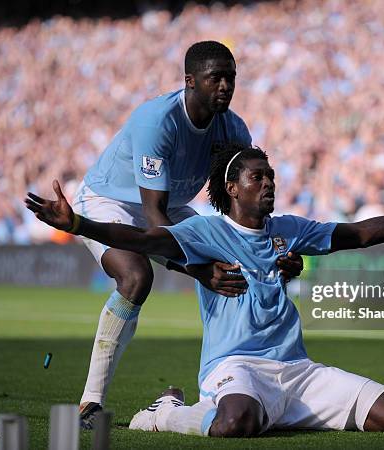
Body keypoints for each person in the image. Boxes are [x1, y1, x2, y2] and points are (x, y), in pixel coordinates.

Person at [25, 142, 384, 437]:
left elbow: (360, 233)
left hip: (297, 369)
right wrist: (80, 224)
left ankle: (279, 411)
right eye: (257, 178)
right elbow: (144, 240)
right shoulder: (205, 232)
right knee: (235, 423)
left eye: (271, 177)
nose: (269, 183)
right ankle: (165, 413)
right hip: (234, 368)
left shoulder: (289, 228)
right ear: (231, 188)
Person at [69, 41, 303, 428]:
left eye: (231, 77)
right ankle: (91, 402)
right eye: (216, 78)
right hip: (111, 200)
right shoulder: (157, 121)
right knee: (136, 277)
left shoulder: (234, 129)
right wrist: (197, 269)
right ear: (190, 81)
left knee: (228, 269)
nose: (225, 86)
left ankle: (228, 384)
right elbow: (153, 215)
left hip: (170, 204)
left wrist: (271, 255)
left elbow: (239, 215)